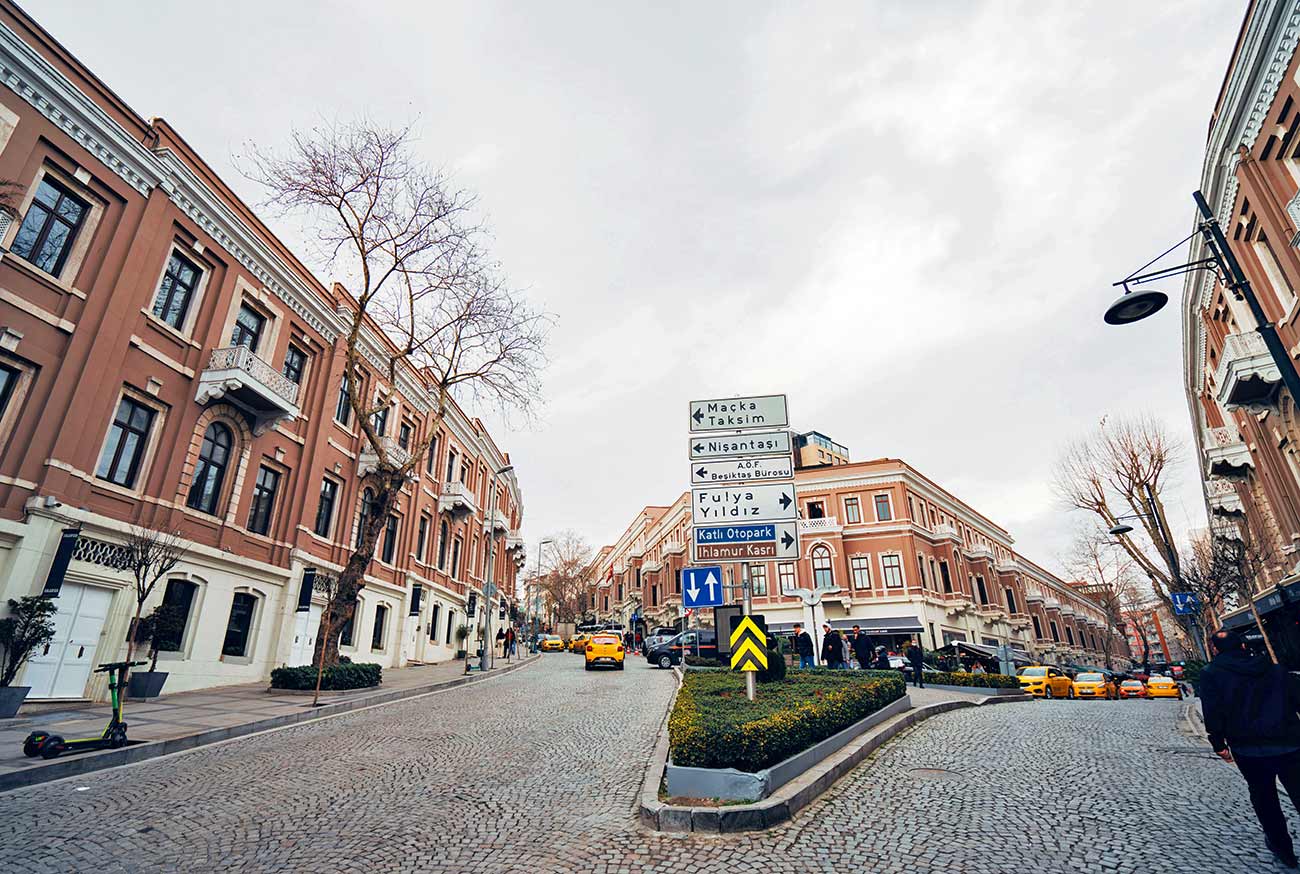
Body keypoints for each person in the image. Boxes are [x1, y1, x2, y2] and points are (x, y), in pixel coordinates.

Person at [1201, 629, 1300, 869]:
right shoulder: (1275, 669)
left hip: (1248, 748)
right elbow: (1296, 699)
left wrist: (1218, 743)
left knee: (1264, 798)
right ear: (1244, 646)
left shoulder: (1211, 674)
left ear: (1215, 650)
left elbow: (1213, 711)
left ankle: (1282, 848)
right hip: (1288, 742)